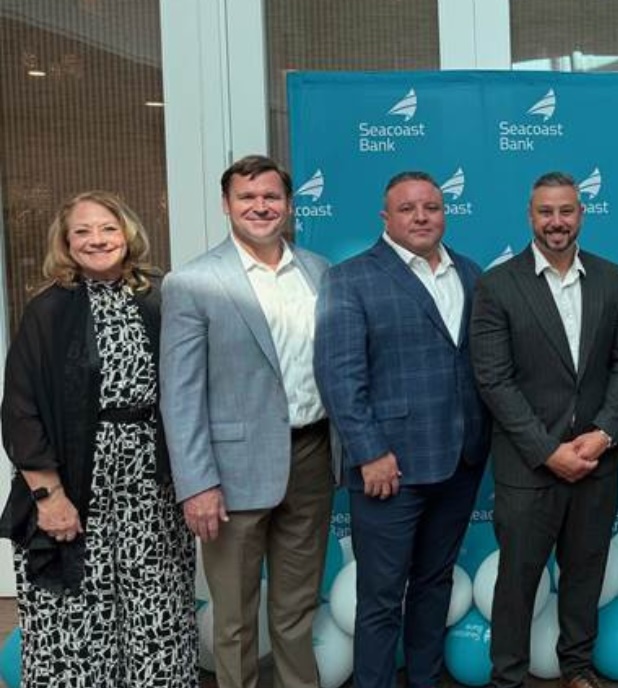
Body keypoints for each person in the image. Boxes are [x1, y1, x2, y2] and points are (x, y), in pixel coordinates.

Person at [0, 191, 196, 687]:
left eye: (108, 228)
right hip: (74, 481)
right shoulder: (49, 309)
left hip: (151, 483)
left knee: (156, 603)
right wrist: (48, 496)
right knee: (79, 611)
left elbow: (193, 386)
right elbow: (20, 409)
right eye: (82, 231)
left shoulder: (162, 297)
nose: (97, 240)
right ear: (66, 243)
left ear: (127, 233)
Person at [161, 155, 337, 688]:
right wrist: (197, 483)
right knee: (235, 617)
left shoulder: (318, 270)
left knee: (297, 608)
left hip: (312, 457)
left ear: (289, 204)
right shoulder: (193, 281)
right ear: (226, 205)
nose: (260, 206)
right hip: (231, 472)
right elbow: (180, 394)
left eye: (271, 197)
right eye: (247, 197)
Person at [315, 171, 489, 688]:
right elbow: (338, 375)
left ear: (444, 213)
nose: (421, 217)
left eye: (431, 207)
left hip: (460, 459)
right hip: (388, 467)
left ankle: (424, 679)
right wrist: (369, 452)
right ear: (385, 218)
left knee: (434, 584)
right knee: (381, 596)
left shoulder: (470, 273)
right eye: (407, 208)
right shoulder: (350, 278)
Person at [470, 171, 618, 688]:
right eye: (546, 211)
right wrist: (548, 451)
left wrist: (605, 432)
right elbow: (493, 380)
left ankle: (577, 669)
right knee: (517, 583)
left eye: (566, 210)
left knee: (585, 575)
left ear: (581, 214)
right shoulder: (498, 285)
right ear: (530, 216)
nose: (556, 221)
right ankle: (508, 678)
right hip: (528, 469)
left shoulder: (611, 278)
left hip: (596, 462)